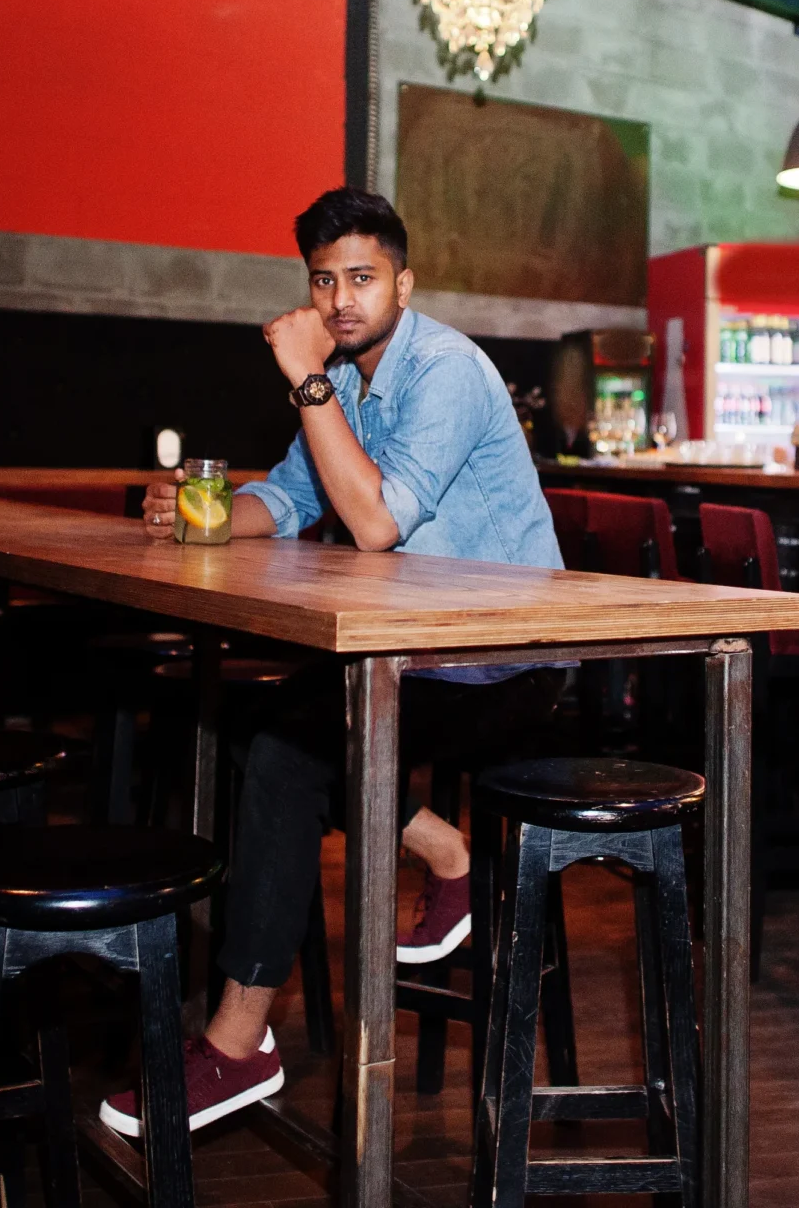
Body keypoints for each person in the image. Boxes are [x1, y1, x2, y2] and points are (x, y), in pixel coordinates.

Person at [103, 187, 567, 1138]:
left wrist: (307, 381)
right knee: (253, 720)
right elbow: (285, 492)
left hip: (506, 657)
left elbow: (374, 523)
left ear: (405, 280)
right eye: (324, 281)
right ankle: (447, 853)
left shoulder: (444, 369)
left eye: (362, 277)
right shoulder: (352, 373)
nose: (342, 299)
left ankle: (239, 1046)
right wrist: (197, 516)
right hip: (418, 650)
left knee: (289, 749)